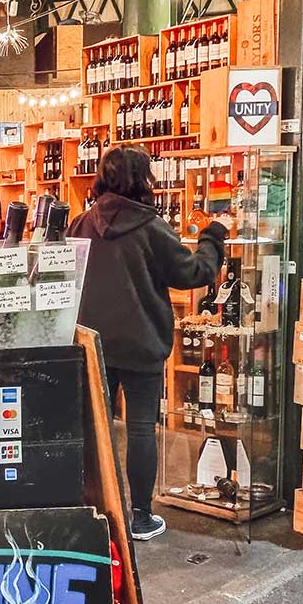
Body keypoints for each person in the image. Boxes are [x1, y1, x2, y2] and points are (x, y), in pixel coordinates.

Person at [68, 146, 227, 542]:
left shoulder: (79, 224)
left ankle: (95, 511)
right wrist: (214, 235)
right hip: (141, 343)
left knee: (95, 431)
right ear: (142, 180)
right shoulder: (151, 227)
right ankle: (140, 516)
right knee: (140, 429)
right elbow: (193, 273)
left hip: (91, 346)